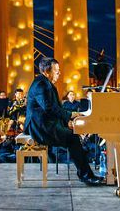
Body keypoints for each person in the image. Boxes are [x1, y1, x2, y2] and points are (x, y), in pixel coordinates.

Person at [24, 57, 103, 186]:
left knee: (73, 136)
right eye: (56, 70)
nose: (59, 73)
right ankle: (85, 175)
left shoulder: (46, 83)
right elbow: (49, 109)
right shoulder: (41, 84)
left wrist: (67, 120)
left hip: (45, 123)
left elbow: (56, 109)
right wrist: (71, 115)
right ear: (47, 71)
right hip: (39, 127)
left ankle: (85, 174)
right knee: (72, 138)